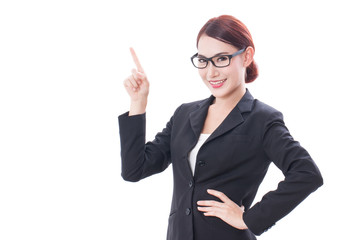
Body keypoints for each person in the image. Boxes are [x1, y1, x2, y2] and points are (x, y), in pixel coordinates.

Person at [119, 15, 323, 240]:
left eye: (222, 58)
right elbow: (134, 170)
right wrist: (138, 103)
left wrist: (249, 219)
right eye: (203, 60)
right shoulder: (184, 114)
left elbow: (307, 174)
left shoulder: (263, 119)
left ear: (246, 56)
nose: (211, 72)